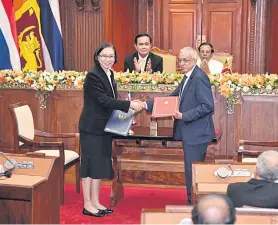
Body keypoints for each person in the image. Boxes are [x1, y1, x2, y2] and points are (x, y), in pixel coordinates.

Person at [143, 47, 215, 204]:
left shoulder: (199, 78)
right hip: (191, 132)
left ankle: (193, 206)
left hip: (196, 133)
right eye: (179, 60)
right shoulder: (187, 77)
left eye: (185, 60)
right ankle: (193, 203)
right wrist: (145, 104)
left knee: (192, 172)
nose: (181, 63)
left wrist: (184, 116)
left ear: (194, 61)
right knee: (191, 171)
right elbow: (171, 98)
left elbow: (208, 106)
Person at [79, 43, 143, 217]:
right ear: (97, 57)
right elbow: (104, 100)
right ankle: (87, 204)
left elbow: (111, 101)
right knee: (89, 166)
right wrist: (129, 105)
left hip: (104, 127)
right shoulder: (93, 75)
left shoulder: (109, 73)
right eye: (104, 56)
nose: (108, 59)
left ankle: (96, 201)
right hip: (92, 127)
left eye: (111, 56)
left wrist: (126, 114)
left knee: (99, 166)